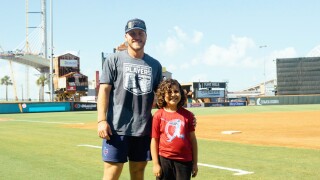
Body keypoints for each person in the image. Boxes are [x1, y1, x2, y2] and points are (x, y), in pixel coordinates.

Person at [97, 18, 163, 180]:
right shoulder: (114, 59)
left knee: (138, 172)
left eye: (140, 33)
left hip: (143, 129)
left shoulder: (155, 65)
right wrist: (101, 120)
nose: (136, 37)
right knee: (112, 173)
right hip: (116, 128)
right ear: (126, 37)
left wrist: (180, 114)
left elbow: (162, 96)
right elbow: (104, 90)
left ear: (146, 36)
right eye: (132, 33)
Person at [151, 79, 198, 180]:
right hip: (164, 160)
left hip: (185, 161)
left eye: (176, 91)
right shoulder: (158, 115)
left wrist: (195, 163)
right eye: (169, 92)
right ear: (163, 95)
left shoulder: (188, 115)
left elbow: (193, 140)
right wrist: (155, 164)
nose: (173, 94)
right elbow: (154, 140)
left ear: (181, 93)